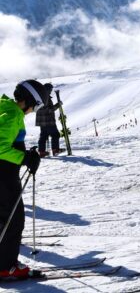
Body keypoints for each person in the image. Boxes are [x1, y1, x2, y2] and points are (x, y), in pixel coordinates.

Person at [0, 80, 46, 279]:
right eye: (36, 106)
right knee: (13, 220)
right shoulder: (11, 115)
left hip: (5, 174)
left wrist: (26, 155)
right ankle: (5, 267)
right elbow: (1, 148)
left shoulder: (6, 110)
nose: (33, 111)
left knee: (4, 218)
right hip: (3, 176)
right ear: (27, 101)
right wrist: (25, 158)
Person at [35, 85, 60, 157]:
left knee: (43, 136)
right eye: (50, 89)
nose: (51, 91)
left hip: (41, 122)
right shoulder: (45, 98)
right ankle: (55, 150)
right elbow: (48, 110)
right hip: (48, 121)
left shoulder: (39, 98)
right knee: (55, 134)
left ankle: (42, 152)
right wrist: (58, 105)